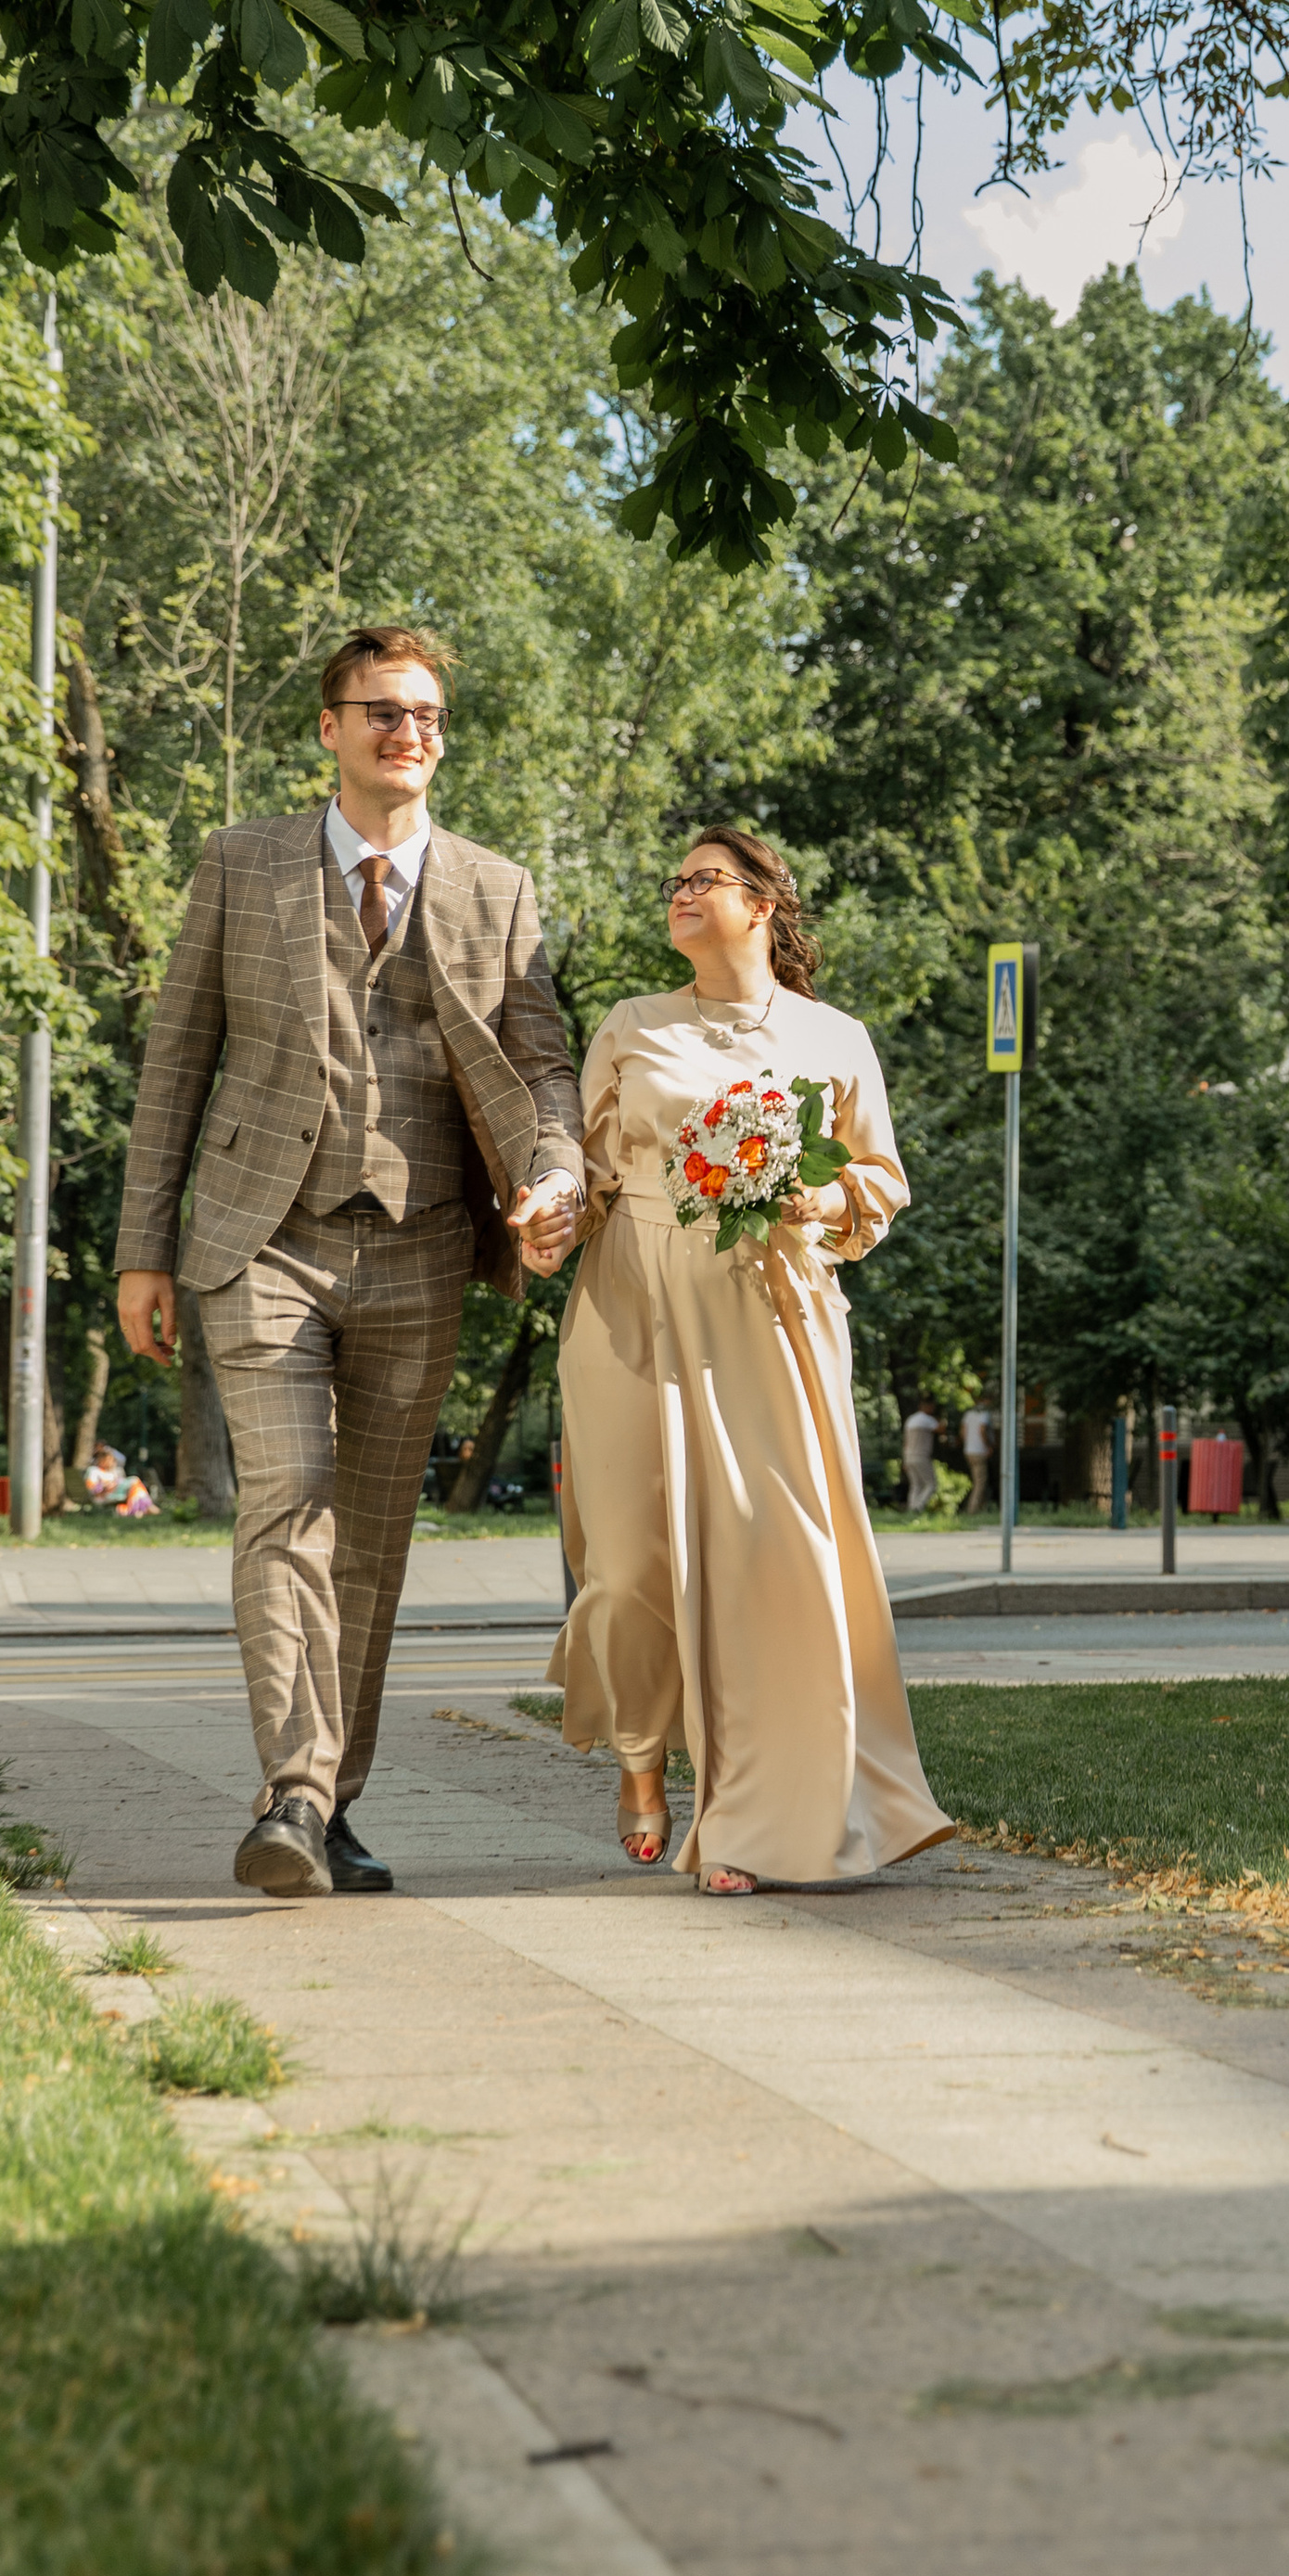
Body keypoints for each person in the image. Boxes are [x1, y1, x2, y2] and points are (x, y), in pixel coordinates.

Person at [115, 624, 584, 1899]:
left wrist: (555, 1174)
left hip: (426, 1241)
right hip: (263, 1236)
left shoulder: (496, 889)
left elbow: (543, 1065)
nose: (407, 733)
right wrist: (140, 1250)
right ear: (329, 729)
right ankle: (296, 1788)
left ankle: (330, 1803)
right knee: (289, 1504)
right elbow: (175, 1063)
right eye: (381, 711)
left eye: (427, 714)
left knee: (371, 1540)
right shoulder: (242, 863)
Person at [537, 827, 951, 1894]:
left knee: (773, 1566)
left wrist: (819, 1197)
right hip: (632, 1300)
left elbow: (882, 1181)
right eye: (671, 880)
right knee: (625, 1569)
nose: (680, 894)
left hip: (773, 1308)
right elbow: (581, 1170)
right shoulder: (630, 1026)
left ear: (764, 902)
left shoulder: (834, 1037)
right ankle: (639, 1762)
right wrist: (547, 1211)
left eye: (704, 880)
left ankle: (751, 1825)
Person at [901, 1401, 942, 1514]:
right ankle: (918, 1507)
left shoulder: (910, 1420)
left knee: (915, 1484)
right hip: (921, 1456)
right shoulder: (928, 1420)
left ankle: (911, 1508)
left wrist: (904, 1460)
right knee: (931, 1484)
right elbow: (941, 1429)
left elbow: (906, 1442)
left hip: (909, 1456)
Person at [961, 1395, 993, 1515]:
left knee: (977, 1480)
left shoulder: (969, 1414)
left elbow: (963, 1432)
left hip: (969, 1451)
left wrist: (968, 1445)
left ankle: (980, 1509)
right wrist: (987, 1446)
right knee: (980, 1483)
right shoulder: (984, 1413)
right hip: (979, 1451)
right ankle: (972, 1510)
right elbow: (982, 1430)